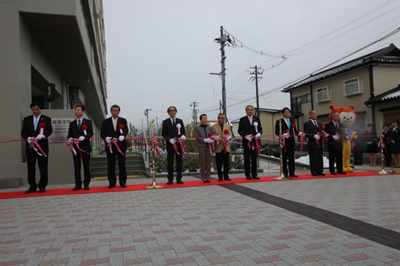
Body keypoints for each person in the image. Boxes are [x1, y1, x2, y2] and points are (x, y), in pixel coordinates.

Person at [21, 103, 53, 193]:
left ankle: (42, 185)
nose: (35, 111)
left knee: (43, 167)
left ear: (40, 109)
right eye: (33, 109)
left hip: (42, 147)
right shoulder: (27, 120)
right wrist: (27, 138)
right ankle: (32, 185)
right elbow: (23, 132)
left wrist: (43, 135)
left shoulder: (46, 119)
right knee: (31, 167)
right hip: (30, 147)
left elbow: (49, 130)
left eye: (37, 109)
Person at [100, 104, 128, 188]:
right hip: (110, 146)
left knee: (122, 164)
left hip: (121, 146)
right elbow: (102, 133)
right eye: (113, 111)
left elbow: (126, 130)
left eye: (116, 111)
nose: (115, 112)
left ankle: (123, 182)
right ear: (111, 112)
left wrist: (123, 135)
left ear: (119, 112)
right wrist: (106, 138)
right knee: (111, 165)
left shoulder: (123, 120)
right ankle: (112, 182)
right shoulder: (106, 121)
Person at [67, 104, 94, 191]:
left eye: (78, 110)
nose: (76, 112)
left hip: (85, 147)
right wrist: (70, 138)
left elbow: (90, 133)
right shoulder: (72, 124)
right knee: (76, 166)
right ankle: (77, 184)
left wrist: (85, 137)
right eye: (75, 110)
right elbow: (69, 134)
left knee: (86, 166)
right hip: (75, 148)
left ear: (83, 111)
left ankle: (86, 183)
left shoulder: (88, 122)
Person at [162, 106, 186, 185]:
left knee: (179, 161)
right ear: (168, 112)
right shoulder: (165, 122)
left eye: (174, 110)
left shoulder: (180, 121)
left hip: (179, 144)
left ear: (176, 112)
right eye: (170, 111)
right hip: (170, 144)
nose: (172, 112)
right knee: (170, 161)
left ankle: (179, 178)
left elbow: (183, 131)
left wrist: (183, 136)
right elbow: (163, 133)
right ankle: (170, 179)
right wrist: (169, 139)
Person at [238, 105, 262, 180]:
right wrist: (245, 136)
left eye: (251, 110)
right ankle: (248, 174)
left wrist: (259, 134)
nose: (250, 111)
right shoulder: (242, 119)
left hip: (254, 142)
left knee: (254, 158)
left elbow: (260, 128)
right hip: (247, 142)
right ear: (246, 111)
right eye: (248, 110)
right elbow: (239, 130)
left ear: (253, 111)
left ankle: (254, 174)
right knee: (247, 159)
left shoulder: (256, 119)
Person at [275, 107, 299, 178]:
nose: (287, 113)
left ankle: (292, 172)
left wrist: (298, 133)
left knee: (292, 158)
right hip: (284, 142)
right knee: (284, 158)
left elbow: (295, 130)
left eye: (288, 112)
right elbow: (277, 132)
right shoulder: (279, 121)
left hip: (291, 141)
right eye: (286, 112)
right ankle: (285, 172)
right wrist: (282, 135)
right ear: (283, 113)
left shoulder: (292, 121)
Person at [212, 113, 232, 181]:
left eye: (221, 118)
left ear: (224, 119)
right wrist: (216, 137)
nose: (220, 119)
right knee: (219, 163)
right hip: (218, 146)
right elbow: (212, 135)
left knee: (226, 163)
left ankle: (226, 176)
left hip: (226, 147)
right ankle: (220, 177)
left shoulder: (227, 126)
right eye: (219, 118)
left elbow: (230, 134)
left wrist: (228, 137)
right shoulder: (214, 126)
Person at [303, 110, 324, 176]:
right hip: (312, 143)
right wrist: (313, 136)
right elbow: (306, 133)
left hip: (319, 142)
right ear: (310, 115)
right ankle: (314, 171)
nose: (315, 115)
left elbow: (322, 131)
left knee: (319, 157)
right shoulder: (307, 124)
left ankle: (320, 170)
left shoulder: (319, 123)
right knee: (313, 157)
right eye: (313, 114)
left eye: (316, 114)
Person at [195, 114, 213, 182]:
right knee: (202, 161)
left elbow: (212, 135)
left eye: (206, 118)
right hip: (201, 146)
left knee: (208, 161)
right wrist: (204, 140)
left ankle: (208, 176)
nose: (205, 120)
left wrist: (211, 139)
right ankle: (203, 177)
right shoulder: (197, 128)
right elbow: (197, 137)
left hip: (209, 146)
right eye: (204, 119)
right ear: (201, 120)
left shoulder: (209, 128)